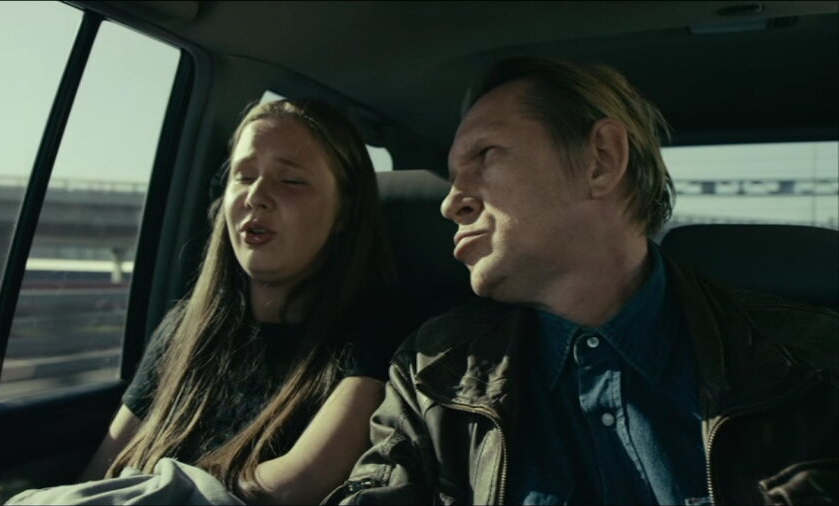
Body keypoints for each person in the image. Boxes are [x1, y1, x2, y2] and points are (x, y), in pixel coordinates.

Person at [326, 58, 839, 505]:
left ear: (601, 160)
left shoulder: (816, 361)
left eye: (485, 155)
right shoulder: (431, 375)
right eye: (453, 173)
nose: (450, 202)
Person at [68, 98, 425, 504]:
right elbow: (103, 471)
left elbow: (298, 484)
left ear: (344, 209)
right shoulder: (185, 327)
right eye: (243, 176)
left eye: (290, 180)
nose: (256, 196)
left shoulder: (383, 323)